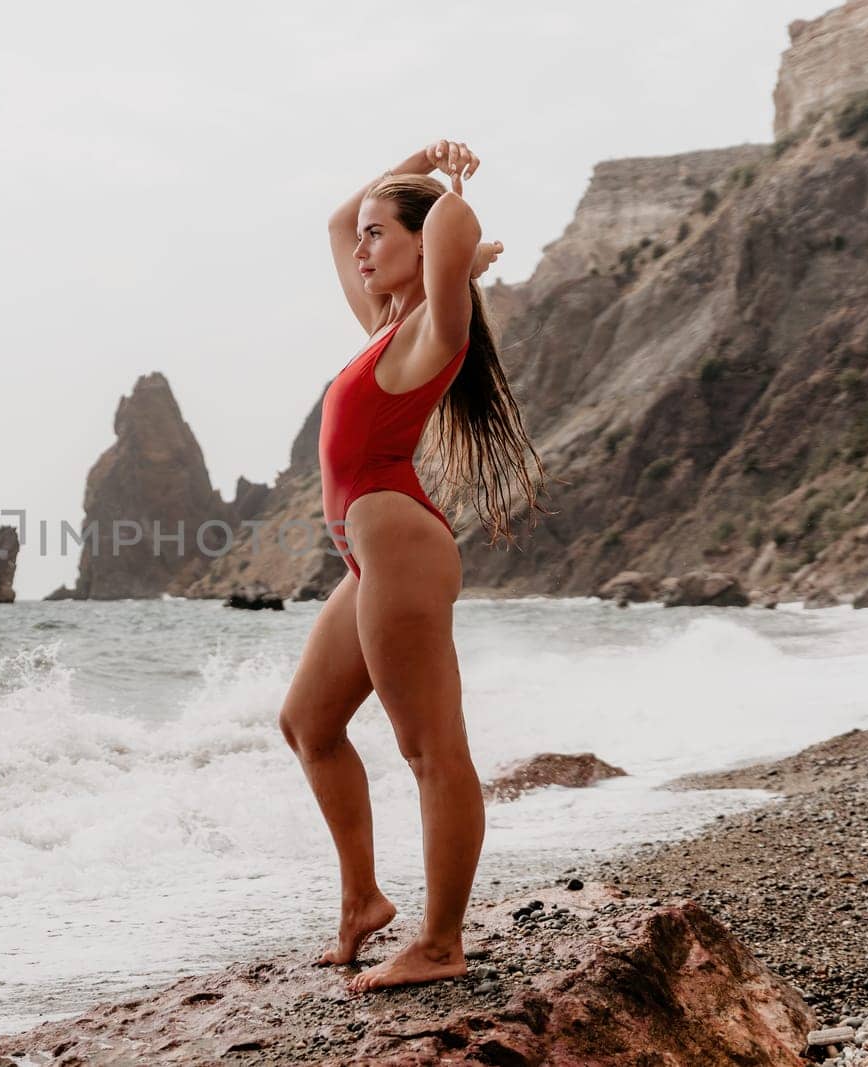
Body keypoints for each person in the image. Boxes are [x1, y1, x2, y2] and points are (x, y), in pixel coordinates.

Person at [278, 139, 548, 994]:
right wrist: (410, 163)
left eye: (377, 234)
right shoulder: (384, 328)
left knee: (432, 749)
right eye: (361, 238)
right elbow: (332, 220)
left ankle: (440, 941)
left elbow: (449, 248)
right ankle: (362, 900)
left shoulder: (435, 328)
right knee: (307, 723)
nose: (358, 248)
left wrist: (452, 202)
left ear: (422, 247)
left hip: (399, 544)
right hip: (369, 556)